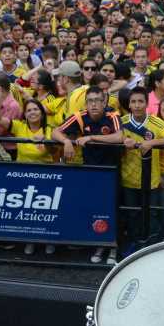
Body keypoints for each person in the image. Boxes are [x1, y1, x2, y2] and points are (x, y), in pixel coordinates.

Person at [52, 86, 123, 264]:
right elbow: (55, 132)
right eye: (90, 101)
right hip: (90, 172)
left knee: (112, 209)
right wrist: (67, 141)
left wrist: (92, 138)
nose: (94, 104)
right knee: (95, 209)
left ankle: (112, 249)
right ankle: (98, 245)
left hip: (111, 171)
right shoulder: (80, 116)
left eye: (98, 100)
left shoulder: (112, 116)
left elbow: (119, 137)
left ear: (105, 102)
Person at [121, 86, 164, 251]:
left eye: (141, 101)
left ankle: (151, 248)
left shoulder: (156, 122)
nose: (137, 105)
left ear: (147, 103)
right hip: (128, 179)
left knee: (152, 213)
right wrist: (122, 141)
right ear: (129, 105)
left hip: (152, 180)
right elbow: (111, 138)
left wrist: (151, 143)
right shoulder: (122, 122)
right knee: (132, 213)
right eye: (133, 102)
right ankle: (134, 244)